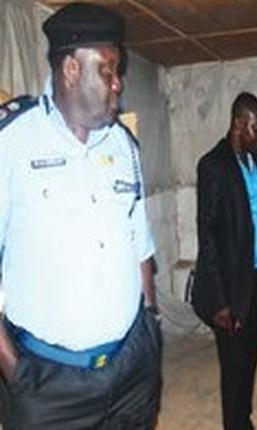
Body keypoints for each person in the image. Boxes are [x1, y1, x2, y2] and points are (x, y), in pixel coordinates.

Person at [0, 3, 160, 429]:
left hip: (131, 369)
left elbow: (139, 245)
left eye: (118, 70)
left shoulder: (123, 146)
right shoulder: (12, 143)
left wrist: (150, 325)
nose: (117, 82)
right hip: (49, 387)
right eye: (107, 70)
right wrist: (16, 373)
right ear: (71, 69)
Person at [191, 92, 257, 430]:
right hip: (229, 290)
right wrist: (220, 302)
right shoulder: (213, 166)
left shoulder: (251, 162)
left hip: (254, 280)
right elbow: (207, 237)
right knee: (234, 367)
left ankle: (244, 420)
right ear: (240, 124)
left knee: (250, 360)